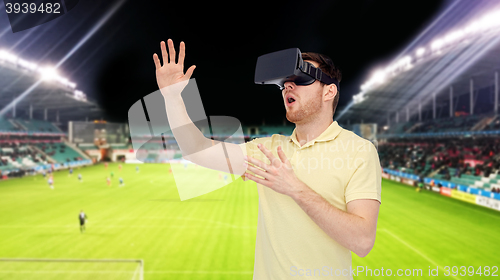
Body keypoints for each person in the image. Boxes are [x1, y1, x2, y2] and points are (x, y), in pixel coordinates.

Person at [153, 39, 381, 279]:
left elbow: (363, 241)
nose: (288, 87)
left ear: (329, 91)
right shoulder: (268, 149)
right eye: (284, 84)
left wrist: (295, 189)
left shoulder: (359, 151)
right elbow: (196, 149)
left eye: (301, 79)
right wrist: (171, 98)